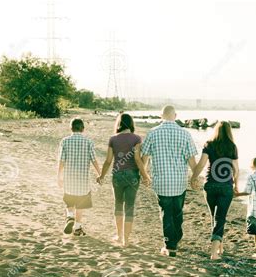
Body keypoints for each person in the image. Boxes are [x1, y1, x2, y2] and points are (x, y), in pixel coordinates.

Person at [141, 105, 198, 257]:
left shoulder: (153, 133)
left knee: (166, 212)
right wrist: (194, 177)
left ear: (161, 116)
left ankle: (170, 244)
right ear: (175, 115)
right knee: (177, 211)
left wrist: (145, 175)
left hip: (161, 181)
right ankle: (175, 239)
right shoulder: (185, 134)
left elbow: (144, 158)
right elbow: (192, 160)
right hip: (179, 181)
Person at [97, 113, 151, 246]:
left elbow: (108, 161)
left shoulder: (113, 139)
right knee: (129, 207)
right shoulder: (136, 138)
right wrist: (145, 176)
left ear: (119, 124)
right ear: (131, 124)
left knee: (118, 205)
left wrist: (102, 176)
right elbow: (138, 160)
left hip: (117, 175)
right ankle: (126, 240)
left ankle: (119, 236)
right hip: (132, 176)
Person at [191, 121, 239, 260]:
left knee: (215, 217)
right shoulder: (232, 146)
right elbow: (236, 169)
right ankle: (213, 253)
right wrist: (236, 186)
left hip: (210, 185)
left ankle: (219, 246)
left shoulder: (209, 144)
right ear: (229, 131)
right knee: (220, 217)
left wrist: (193, 177)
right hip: (225, 187)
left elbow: (201, 164)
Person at [57, 118, 101, 236]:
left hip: (69, 179)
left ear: (71, 128)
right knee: (80, 205)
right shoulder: (88, 142)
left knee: (69, 201)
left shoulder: (65, 141)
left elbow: (61, 161)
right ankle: (77, 227)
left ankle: (70, 217)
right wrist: (99, 174)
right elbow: (94, 160)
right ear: (83, 129)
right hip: (83, 181)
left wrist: (58, 176)